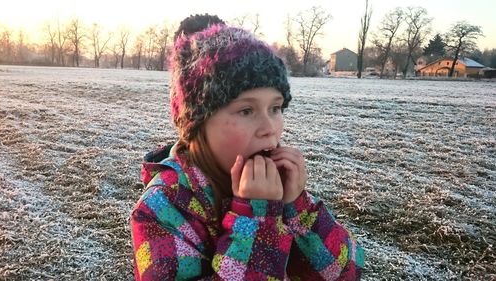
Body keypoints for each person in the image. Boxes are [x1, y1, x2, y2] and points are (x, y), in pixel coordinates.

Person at [131, 23, 364, 280]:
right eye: (246, 111)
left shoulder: (278, 183)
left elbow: (345, 272)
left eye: (275, 109)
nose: (269, 129)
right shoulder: (162, 207)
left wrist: (298, 207)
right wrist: (256, 221)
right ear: (197, 123)